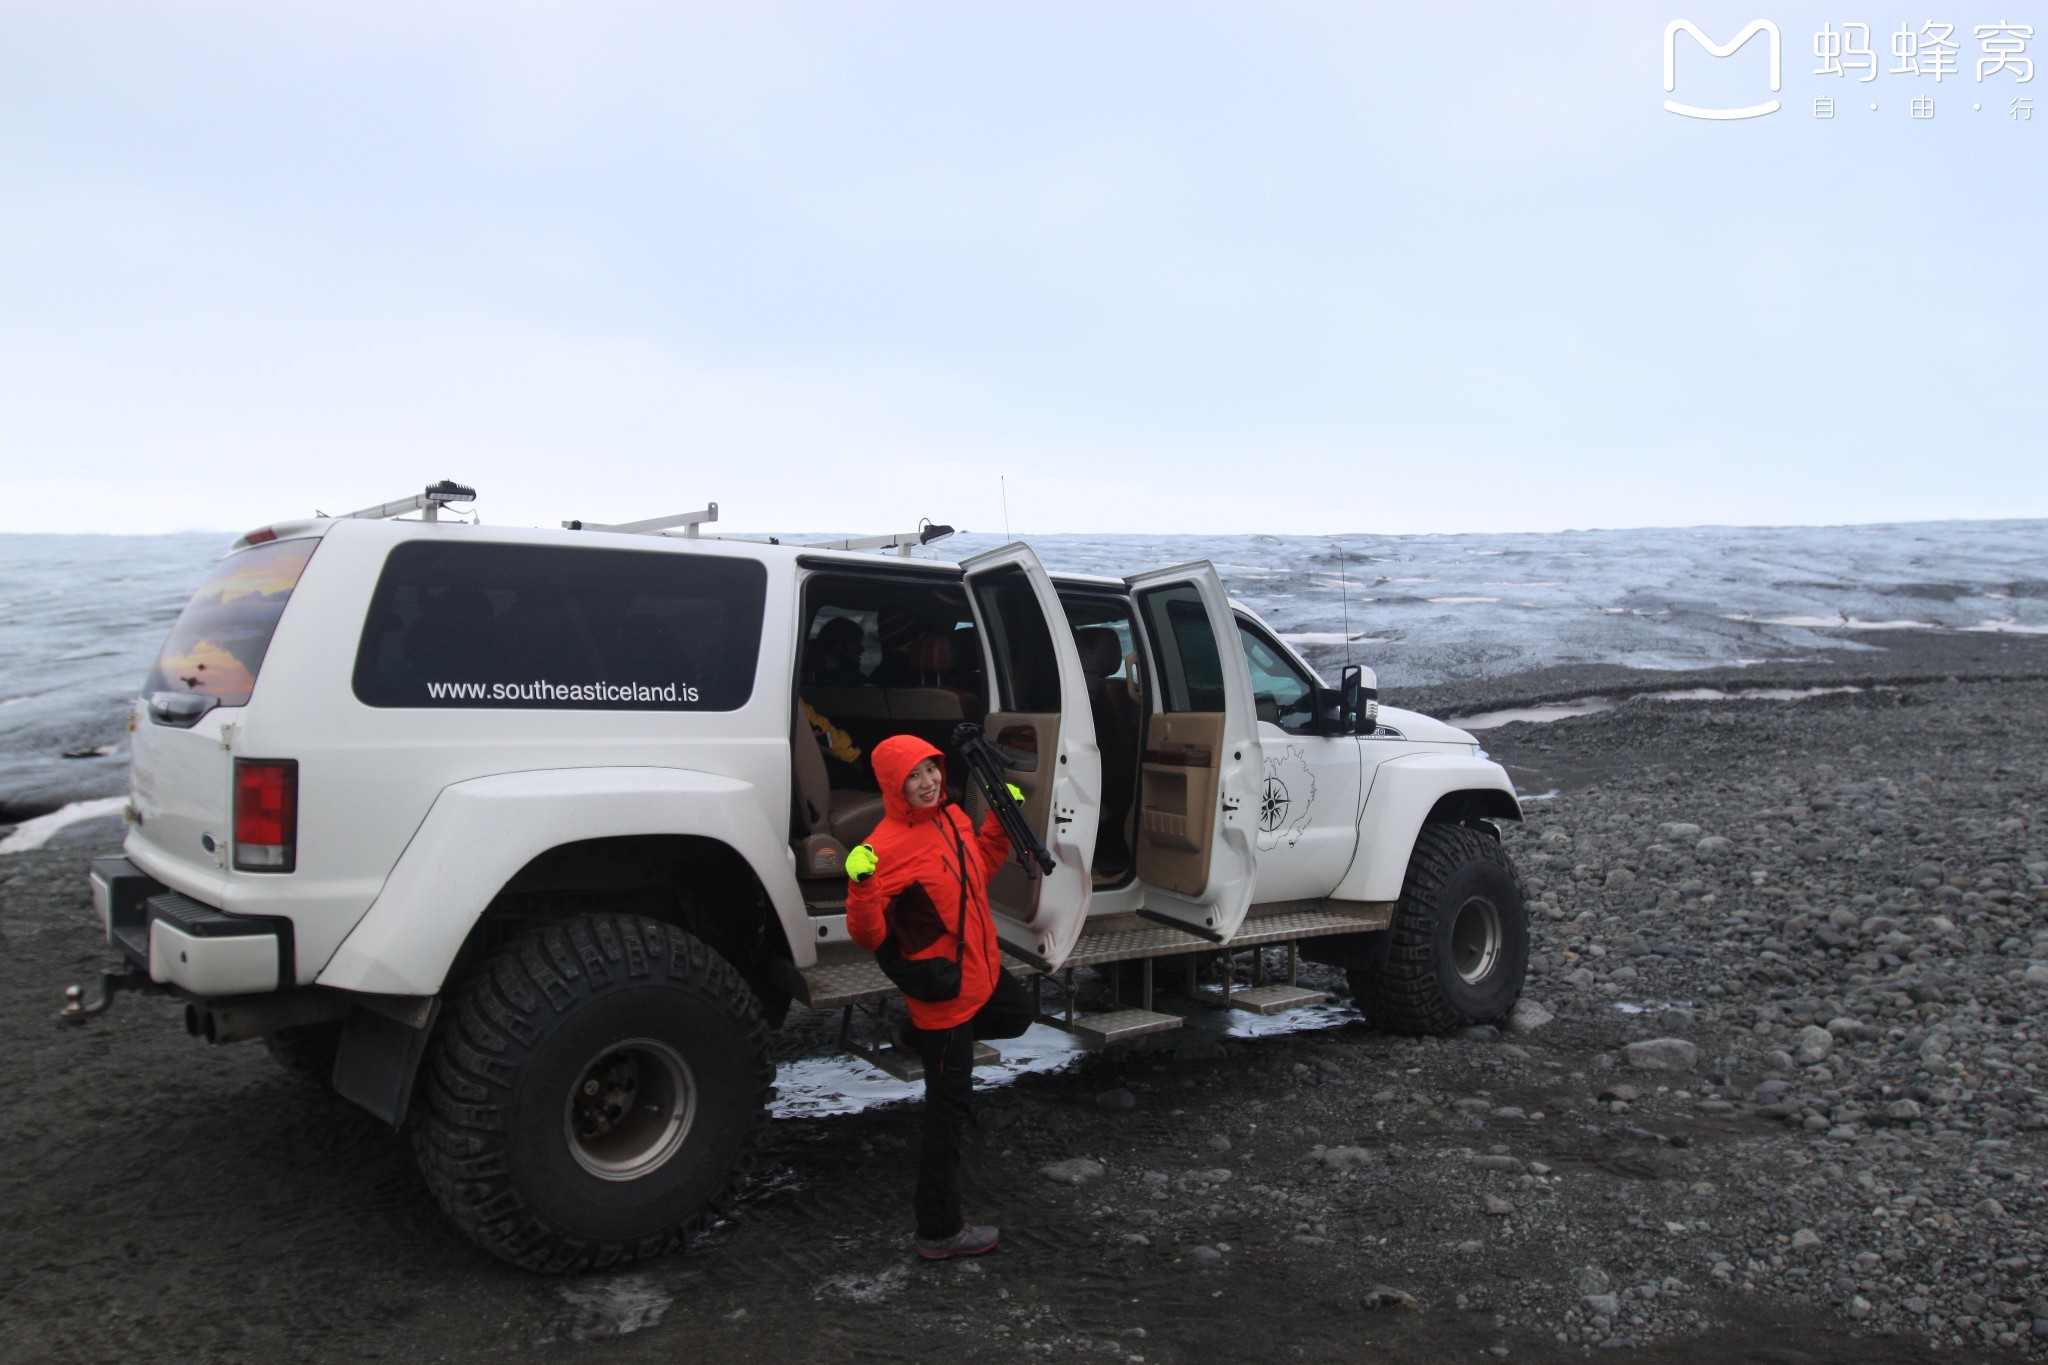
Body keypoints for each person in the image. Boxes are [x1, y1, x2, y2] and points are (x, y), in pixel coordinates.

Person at [844, 734, 1034, 1260]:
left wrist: (999, 822)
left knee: (1019, 1012)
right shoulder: (885, 848)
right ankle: (939, 1230)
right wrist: (860, 886)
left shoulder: (952, 820)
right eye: (914, 776)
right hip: (945, 994)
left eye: (931, 769)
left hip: (980, 971)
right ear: (893, 785)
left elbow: (980, 872)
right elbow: (868, 935)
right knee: (948, 1115)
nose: (927, 783)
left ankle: (907, 1035)